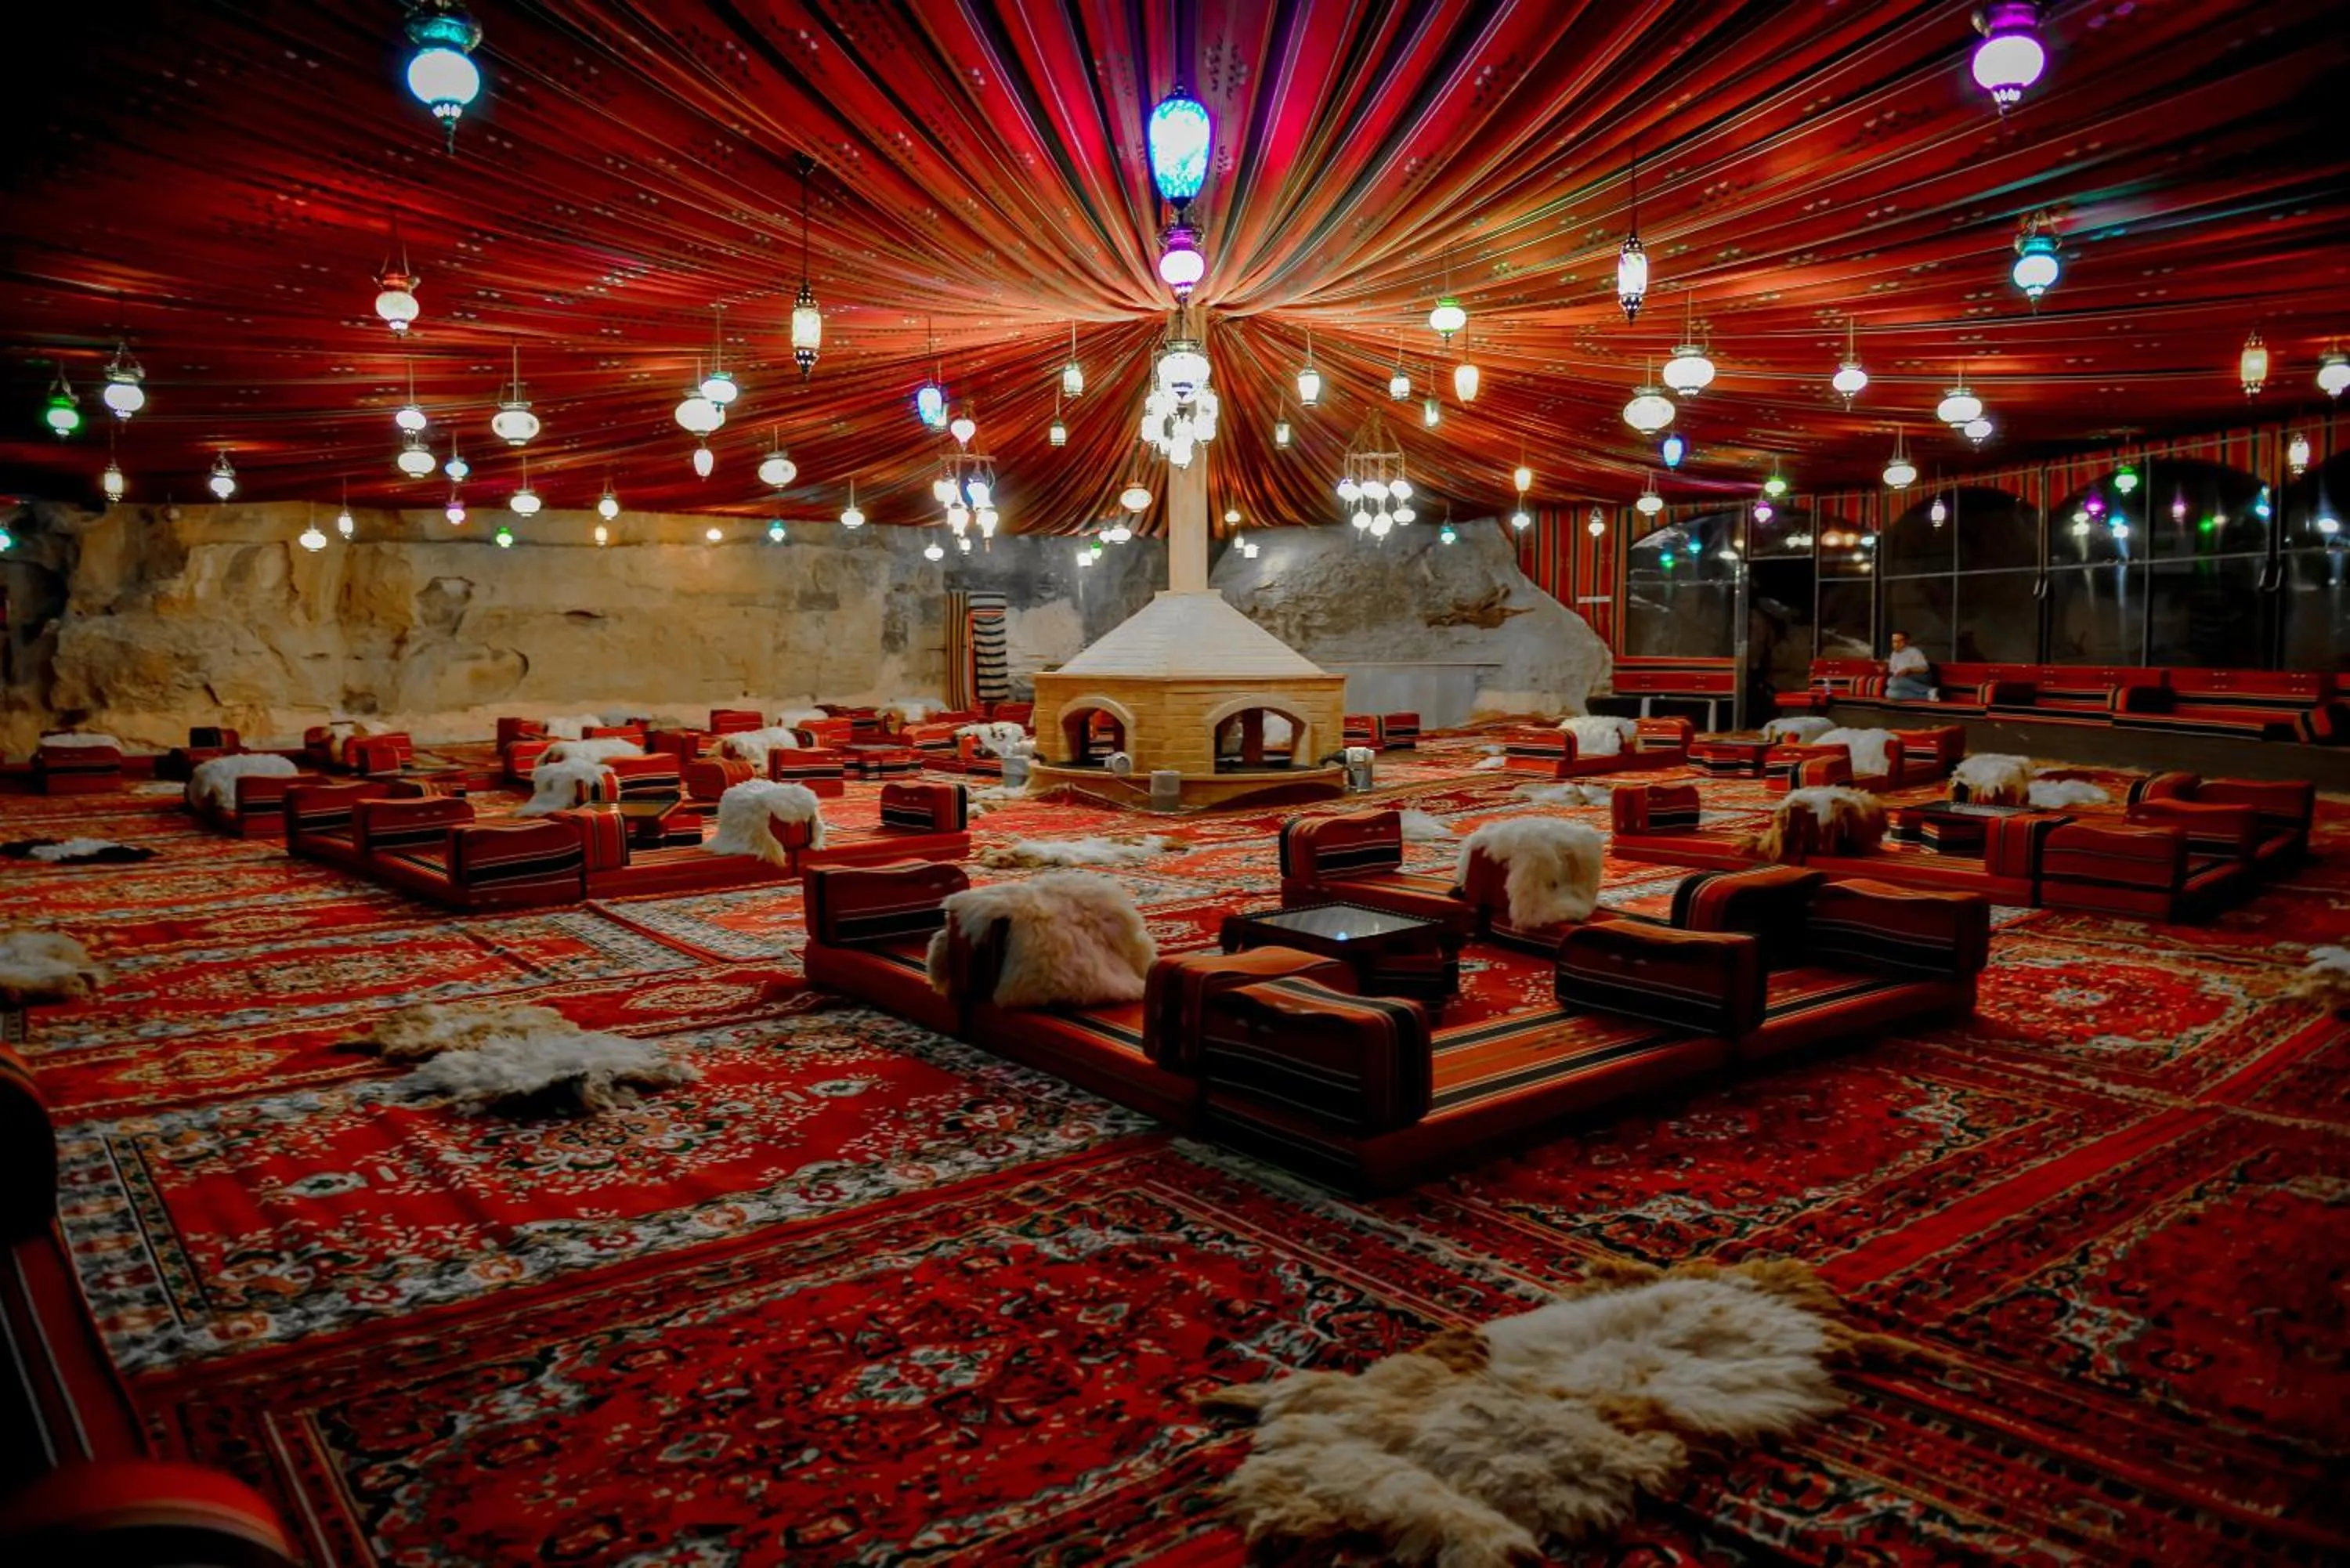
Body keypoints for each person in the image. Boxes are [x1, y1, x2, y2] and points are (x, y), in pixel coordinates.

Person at [1885, 631, 1934, 701]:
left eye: (1899, 641)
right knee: (1890, 693)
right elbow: (1894, 672)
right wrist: (1885, 670)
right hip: (1903, 680)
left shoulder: (1914, 651)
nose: (1896, 644)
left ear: (1906, 642)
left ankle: (1928, 690)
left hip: (1919, 677)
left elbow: (1925, 668)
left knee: (1891, 682)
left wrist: (1909, 670)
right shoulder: (1894, 654)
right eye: (1894, 641)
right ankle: (1928, 696)